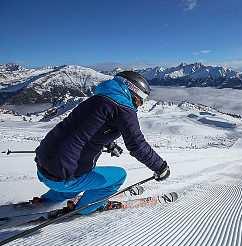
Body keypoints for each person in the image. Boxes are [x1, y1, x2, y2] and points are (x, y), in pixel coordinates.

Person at [34, 71, 170, 214]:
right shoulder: (124, 109)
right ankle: (85, 209)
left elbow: (85, 130)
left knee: (80, 173)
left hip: (43, 166)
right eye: (140, 100)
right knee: (119, 176)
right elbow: (137, 145)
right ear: (133, 92)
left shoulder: (97, 99)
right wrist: (160, 167)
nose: (140, 105)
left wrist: (109, 143)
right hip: (63, 178)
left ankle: (48, 200)